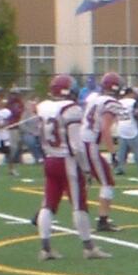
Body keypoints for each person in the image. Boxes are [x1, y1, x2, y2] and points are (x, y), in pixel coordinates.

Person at [34, 75, 111, 260]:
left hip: (50, 159)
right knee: (79, 205)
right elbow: (76, 146)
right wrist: (86, 168)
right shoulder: (72, 109)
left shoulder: (43, 106)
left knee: (48, 203)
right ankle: (89, 247)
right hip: (66, 161)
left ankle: (45, 249)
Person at [81, 72, 123, 231]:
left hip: (81, 141)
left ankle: (43, 212)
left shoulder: (93, 98)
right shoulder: (111, 103)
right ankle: (103, 220)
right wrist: (113, 153)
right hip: (89, 143)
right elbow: (105, 129)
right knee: (107, 182)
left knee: (76, 181)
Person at [113, 88, 138, 175]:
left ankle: (119, 168)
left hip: (121, 127)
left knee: (122, 151)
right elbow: (137, 112)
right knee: (136, 150)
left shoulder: (118, 102)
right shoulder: (133, 102)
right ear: (130, 93)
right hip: (131, 128)